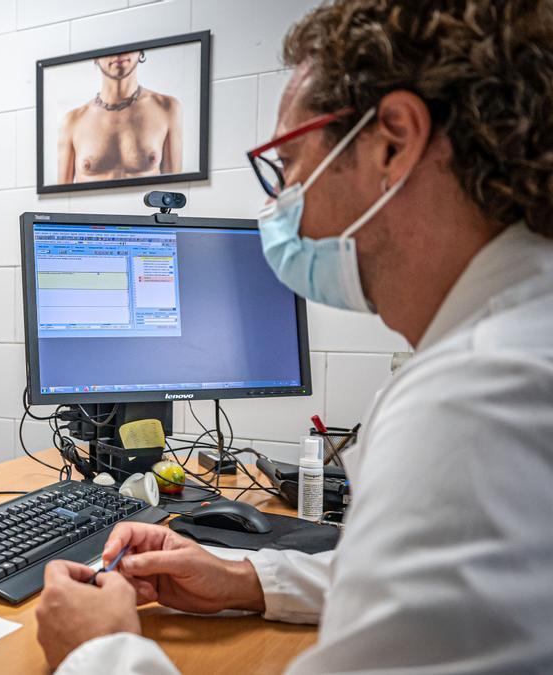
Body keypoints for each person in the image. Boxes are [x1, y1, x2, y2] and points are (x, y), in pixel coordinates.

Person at [36, 1, 553, 671]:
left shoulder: (480, 398)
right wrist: (246, 578)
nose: (279, 201)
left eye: (287, 165)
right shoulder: (517, 341)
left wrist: (99, 650)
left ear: (393, 140)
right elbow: (422, 594)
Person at [56, 49, 183, 184]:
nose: (118, 54)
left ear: (141, 52)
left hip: (143, 205)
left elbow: (174, 190)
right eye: (108, 47)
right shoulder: (72, 121)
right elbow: (62, 199)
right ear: (95, 57)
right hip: (90, 205)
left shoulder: (167, 108)